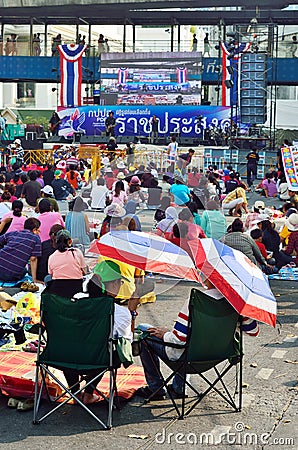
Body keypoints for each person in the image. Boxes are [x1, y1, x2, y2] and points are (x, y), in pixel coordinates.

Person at [135, 279, 259, 400]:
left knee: (144, 331)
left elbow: (178, 340)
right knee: (189, 341)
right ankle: (179, 387)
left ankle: (155, 388)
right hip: (217, 355)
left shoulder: (197, 299)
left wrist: (165, 334)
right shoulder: (237, 301)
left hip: (188, 357)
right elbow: (253, 331)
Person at [63, 260, 132, 405]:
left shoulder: (74, 300)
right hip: (98, 360)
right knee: (106, 348)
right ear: (113, 284)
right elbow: (122, 341)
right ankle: (89, 393)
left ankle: (75, 392)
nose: (120, 286)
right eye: (120, 283)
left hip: (63, 357)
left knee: (73, 343)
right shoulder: (120, 312)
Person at [47, 229, 87, 298]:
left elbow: (51, 274)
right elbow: (85, 272)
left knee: (47, 278)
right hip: (76, 288)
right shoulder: (77, 252)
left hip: (57, 289)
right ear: (70, 241)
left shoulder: (52, 257)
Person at [0, 217, 41, 283]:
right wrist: (34, 279)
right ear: (34, 230)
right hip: (10, 276)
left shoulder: (14, 233)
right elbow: (33, 259)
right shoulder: (36, 239)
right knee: (24, 270)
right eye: (38, 231)